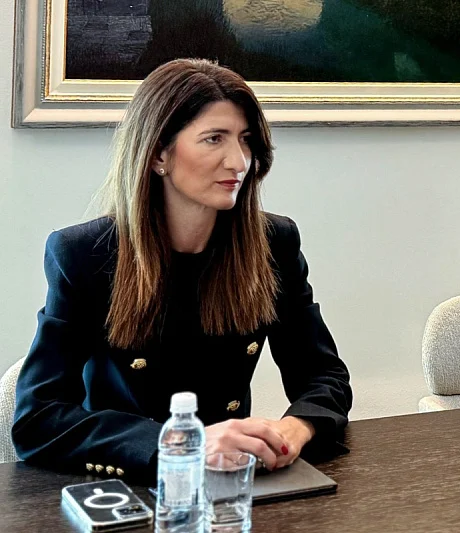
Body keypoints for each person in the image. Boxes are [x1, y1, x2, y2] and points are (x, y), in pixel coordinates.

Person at [13, 59, 352, 483]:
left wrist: (293, 430)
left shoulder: (274, 242)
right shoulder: (84, 254)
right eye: (214, 139)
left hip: (231, 485)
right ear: (158, 154)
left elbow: (323, 375)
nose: (239, 161)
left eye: (246, 140)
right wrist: (182, 444)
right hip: (130, 484)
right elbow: (38, 418)